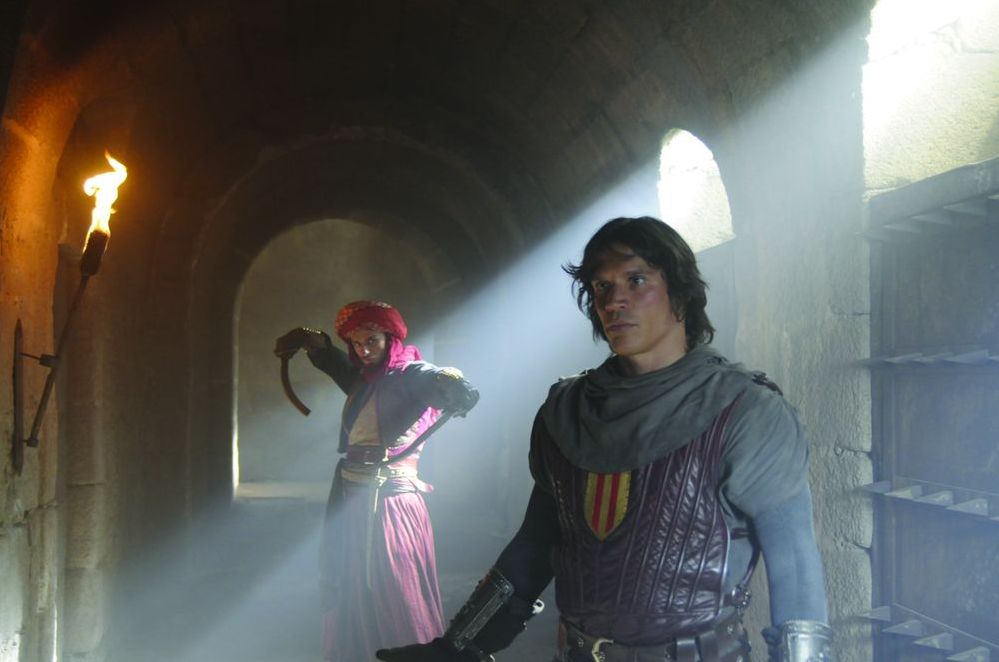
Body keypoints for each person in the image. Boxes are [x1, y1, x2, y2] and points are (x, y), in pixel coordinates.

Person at [376, 217, 832, 662]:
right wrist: (458, 646)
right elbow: (536, 544)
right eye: (601, 287)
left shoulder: (745, 409)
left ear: (680, 292)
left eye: (637, 280)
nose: (615, 301)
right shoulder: (568, 410)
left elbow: (793, 562)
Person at [274, 300, 479, 662]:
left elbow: (433, 378)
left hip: (390, 506)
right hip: (354, 501)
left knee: (396, 593)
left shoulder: (409, 374)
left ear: (390, 339)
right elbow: (339, 364)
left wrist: (452, 382)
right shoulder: (366, 379)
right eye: (356, 343)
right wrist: (312, 340)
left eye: (371, 341)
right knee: (353, 591)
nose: (363, 350)